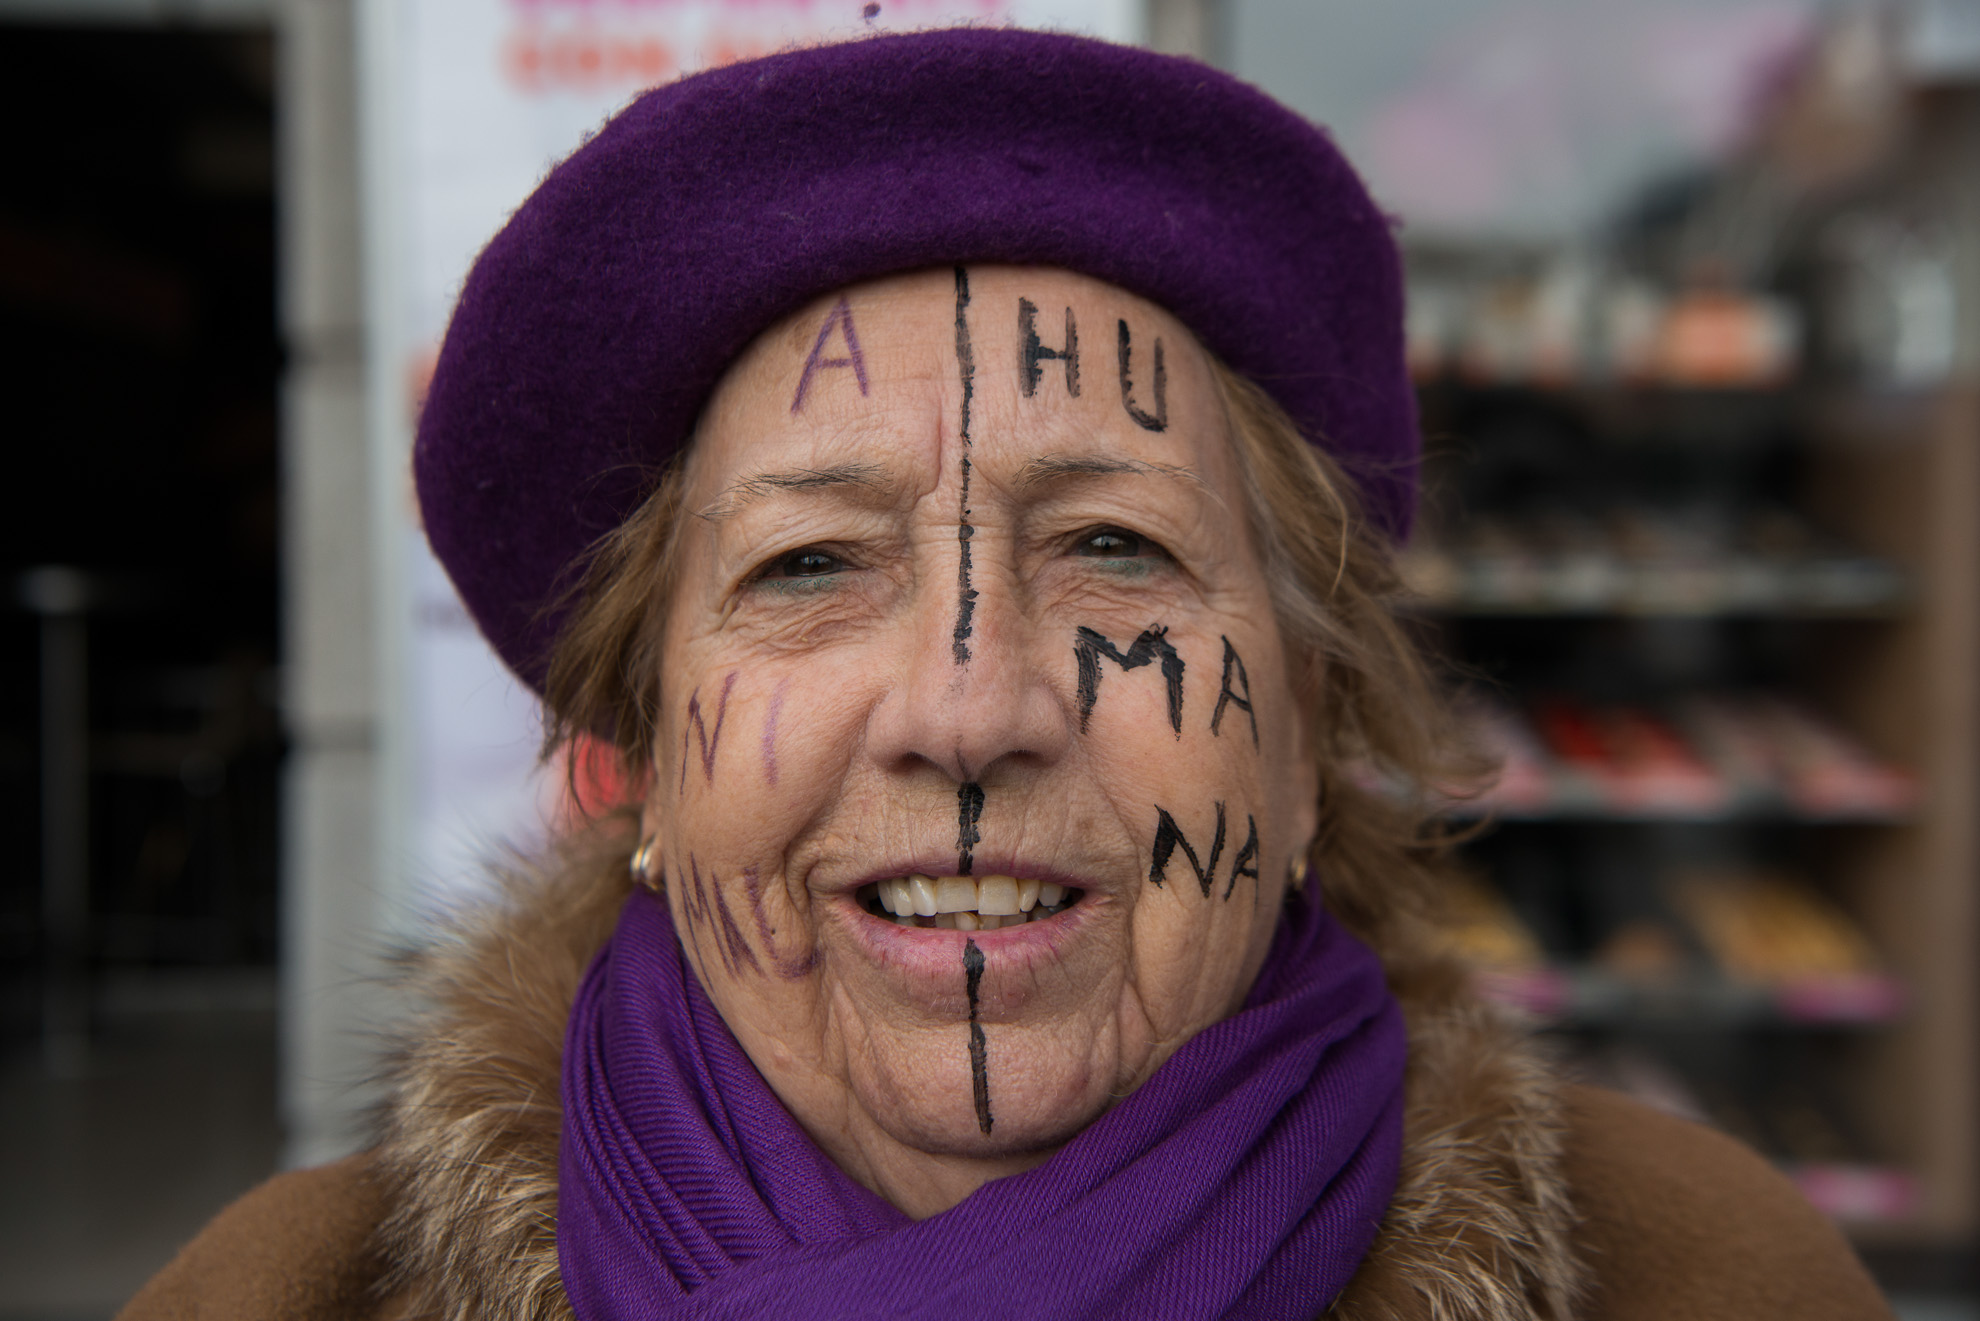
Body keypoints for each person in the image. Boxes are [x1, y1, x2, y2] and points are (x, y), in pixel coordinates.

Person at [122, 27, 1893, 1321]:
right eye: (810, 565)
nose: (970, 711)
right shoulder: (287, 1297)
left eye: (1117, 547)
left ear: (1304, 740)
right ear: (645, 759)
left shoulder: (1702, 1277)